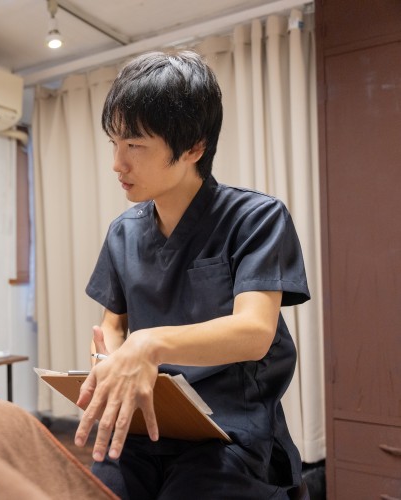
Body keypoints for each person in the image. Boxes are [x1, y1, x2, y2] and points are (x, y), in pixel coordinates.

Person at [73, 50, 310, 499]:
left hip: (228, 434)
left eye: (135, 145)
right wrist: (110, 365)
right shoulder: (124, 232)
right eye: (114, 143)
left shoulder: (256, 219)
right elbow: (112, 325)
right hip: (146, 426)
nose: (118, 163)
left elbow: (255, 332)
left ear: (194, 148)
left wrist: (149, 344)